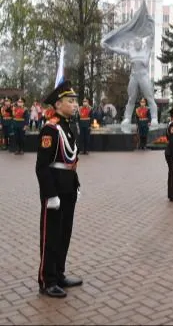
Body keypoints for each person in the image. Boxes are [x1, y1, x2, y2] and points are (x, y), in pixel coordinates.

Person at [35, 80, 83, 298]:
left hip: (68, 189)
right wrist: (50, 195)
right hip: (54, 191)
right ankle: (48, 280)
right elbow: (42, 166)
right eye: (70, 101)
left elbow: (71, 160)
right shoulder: (50, 129)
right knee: (51, 236)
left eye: (75, 101)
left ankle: (60, 273)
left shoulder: (67, 126)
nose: (75, 105)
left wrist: (76, 185)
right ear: (58, 104)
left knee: (64, 234)